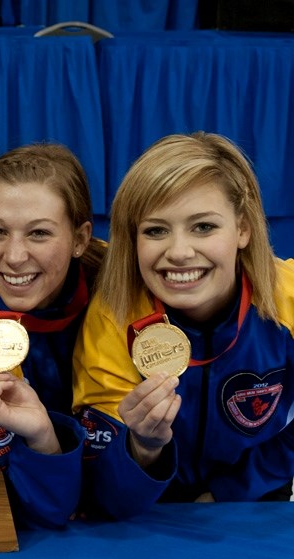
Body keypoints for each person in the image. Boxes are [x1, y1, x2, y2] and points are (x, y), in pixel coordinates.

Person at [72, 131, 294, 519]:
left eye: (204, 227)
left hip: (253, 505)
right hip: (147, 514)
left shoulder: (287, 298)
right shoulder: (114, 317)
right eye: (155, 230)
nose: (178, 252)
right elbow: (107, 496)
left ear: (242, 228)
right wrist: (143, 447)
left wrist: (232, 490)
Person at [0, 143, 106, 528]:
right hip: (29, 511)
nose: (14, 257)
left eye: (39, 234)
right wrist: (46, 441)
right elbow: (38, 501)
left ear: (80, 239)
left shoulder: (122, 289)